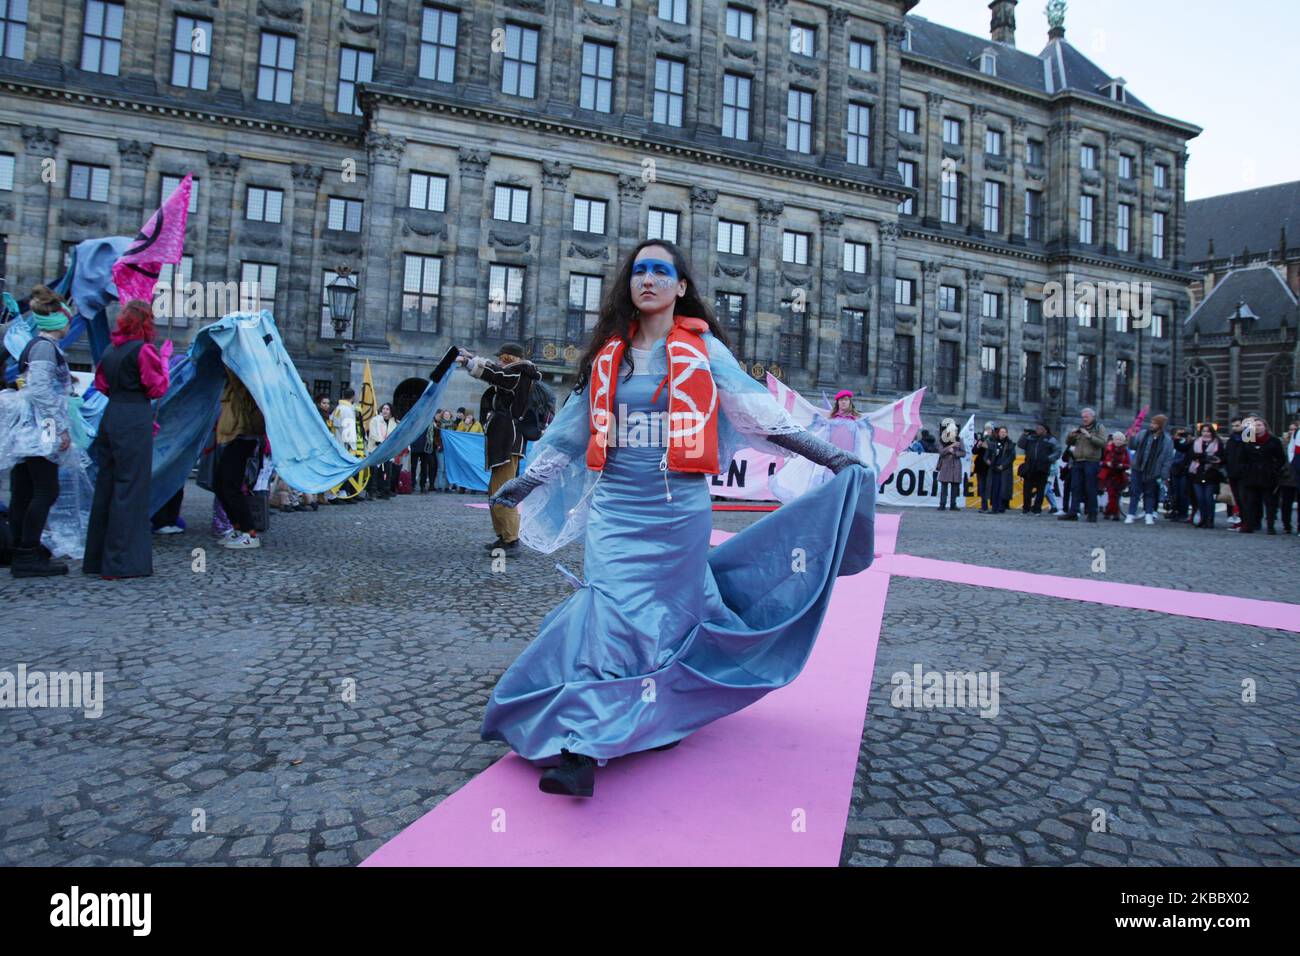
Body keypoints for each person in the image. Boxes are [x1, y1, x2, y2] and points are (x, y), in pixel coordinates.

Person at [480, 239, 871, 798]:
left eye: (661, 271)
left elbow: (759, 413)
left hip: (678, 512)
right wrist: (528, 481)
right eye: (639, 271)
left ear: (680, 287)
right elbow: (571, 429)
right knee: (606, 613)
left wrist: (831, 456)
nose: (648, 280)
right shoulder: (610, 355)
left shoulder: (704, 350)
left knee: (666, 623)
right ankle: (582, 746)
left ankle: (655, 713)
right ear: (630, 285)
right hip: (618, 509)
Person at [83, 300, 172, 579]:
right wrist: (165, 361)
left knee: (107, 486)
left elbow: (101, 385)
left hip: (112, 416)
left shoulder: (110, 350)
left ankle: (96, 559)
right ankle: (120, 562)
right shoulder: (144, 350)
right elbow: (157, 387)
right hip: (134, 418)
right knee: (130, 488)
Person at [1, 286, 76, 576]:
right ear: (59, 321)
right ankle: (27, 553)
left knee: (24, 490)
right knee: (45, 489)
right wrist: (61, 428)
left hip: (29, 428)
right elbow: (42, 391)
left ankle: (22, 549)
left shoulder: (36, 345)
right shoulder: (45, 348)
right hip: (39, 429)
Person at [457, 341, 541, 551]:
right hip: (505, 438)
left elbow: (497, 375)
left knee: (503, 490)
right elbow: (496, 372)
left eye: (500, 357)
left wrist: (469, 362)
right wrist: (472, 357)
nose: (496, 361)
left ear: (508, 359)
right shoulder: (518, 373)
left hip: (508, 439)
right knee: (495, 490)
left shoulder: (518, 373)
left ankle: (511, 539)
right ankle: (504, 535)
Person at [214, 369, 266, 549]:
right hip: (236, 435)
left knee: (230, 485)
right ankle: (238, 528)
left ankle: (249, 532)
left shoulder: (243, 378)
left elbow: (235, 371)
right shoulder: (236, 382)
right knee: (220, 483)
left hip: (243, 435)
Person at [1236, 416, 1287, 534]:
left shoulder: (1273, 441)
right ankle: (1249, 525)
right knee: (1250, 502)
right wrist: (1245, 469)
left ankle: (1270, 526)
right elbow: (1241, 458)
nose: (1257, 428)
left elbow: (1281, 458)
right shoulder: (1247, 440)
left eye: (1260, 425)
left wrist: (1274, 469)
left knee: (1270, 502)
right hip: (1251, 475)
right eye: (1255, 425)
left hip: (1268, 475)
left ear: (1265, 427)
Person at [1124, 414, 1174, 526]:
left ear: (1160, 425)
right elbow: (1133, 446)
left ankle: (1149, 514)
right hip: (1138, 467)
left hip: (1153, 470)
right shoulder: (1143, 434)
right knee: (1134, 492)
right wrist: (1131, 437)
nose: (1151, 425)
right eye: (1151, 422)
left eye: (1154, 423)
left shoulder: (1167, 440)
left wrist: (1164, 475)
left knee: (1150, 493)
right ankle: (1131, 514)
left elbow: (1167, 459)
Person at [1059, 407, 1106, 522]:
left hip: (1091, 461)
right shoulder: (1080, 428)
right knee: (1075, 487)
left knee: (1090, 488)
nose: (1084, 419)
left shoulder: (1099, 427)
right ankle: (1073, 512)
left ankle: (1092, 513)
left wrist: (1089, 436)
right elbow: (1068, 443)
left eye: (1086, 417)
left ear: (1092, 417)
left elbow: (1103, 443)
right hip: (1078, 461)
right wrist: (1071, 435)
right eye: (1083, 417)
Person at [1017, 422, 1060, 515]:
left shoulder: (1050, 439)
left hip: (1042, 468)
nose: (1037, 430)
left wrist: (1048, 459)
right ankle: (1026, 508)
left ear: (1045, 430)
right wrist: (1024, 435)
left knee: (1040, 490)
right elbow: (1020, 444)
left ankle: (1037, 509)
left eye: (1039, 428)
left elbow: (1058, 450)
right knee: (1027, 489)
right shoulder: (1031, 437)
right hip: (1030, 467)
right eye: (1037, 428)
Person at [1187, 424, 1223, 528]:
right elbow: (1192, 455)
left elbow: (1219, 457)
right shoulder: (1196, 442)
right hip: (1197, 473)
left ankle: (1210, 519)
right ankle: (1202, 518)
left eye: (1208, 431)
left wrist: (1203, 457)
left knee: (1208, 498)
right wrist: (1206, 457)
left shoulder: (1217, 443)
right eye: (1203, 431)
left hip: (1211, 473)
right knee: (1200, 498)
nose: (1206, 433)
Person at [367, 402, 399, 499]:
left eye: (387, 409)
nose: (385, 411)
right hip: (376, 449)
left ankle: (384, 490)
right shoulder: (375, 420)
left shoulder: (394, 423)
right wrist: (379, 441)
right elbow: (373, 433)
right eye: (384, 408)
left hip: (387, 451)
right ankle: (372, 491)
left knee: (386, 472)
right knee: (374, 472)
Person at [1099, 432, 1131, 520]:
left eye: (1121, 439)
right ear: (1113, 440)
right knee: (1111, 494)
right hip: (1109, 474)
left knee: (1116, 495)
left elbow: (1128, 464)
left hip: (1120, 475)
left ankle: (1110, 512)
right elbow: (1101, 461)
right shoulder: (1108, 449)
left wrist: (1122, 465)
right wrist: (1107, 463)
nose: (1119, 441)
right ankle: (1112, 512)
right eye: (1117, 439)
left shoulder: (1125, 451)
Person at [935, 417, 964, 512]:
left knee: (955, 487)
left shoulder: (960, 440)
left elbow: (963, 453)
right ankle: (942, 504)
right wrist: (951, 447)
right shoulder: (942, 440)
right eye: (953, 430)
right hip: (946, 465)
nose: (955, 432)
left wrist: (955, 453)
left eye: (955, 430)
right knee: (944, 486)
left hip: (956, 466)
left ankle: (953, 504)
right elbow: (941, 452)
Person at [986, 426, 1015, 514]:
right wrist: (987, 460)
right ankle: (994, 508)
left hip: (1004, 470)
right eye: (1001, 432)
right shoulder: (993, 442)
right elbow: (988, 454)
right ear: (998, 433)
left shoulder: (1010, 443)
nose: (1003, 433)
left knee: (1002, 489)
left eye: (1004, 432)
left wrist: (1003, 465)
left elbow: (1012, 457)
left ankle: (1001, 507)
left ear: (1007, 433)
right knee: (994, 489)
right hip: (994, 468)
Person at [972, 423, 992, 512]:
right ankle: (984, 505)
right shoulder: (981, 439)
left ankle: (992, 505)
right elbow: (974, 451)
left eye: (989, 429)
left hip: (989, 467)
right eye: (986, 429)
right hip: (980, 467)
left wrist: (988, 446)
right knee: (981, 486)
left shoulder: (993, 440)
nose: (987, 431)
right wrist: (978, 445)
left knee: (989, 487)